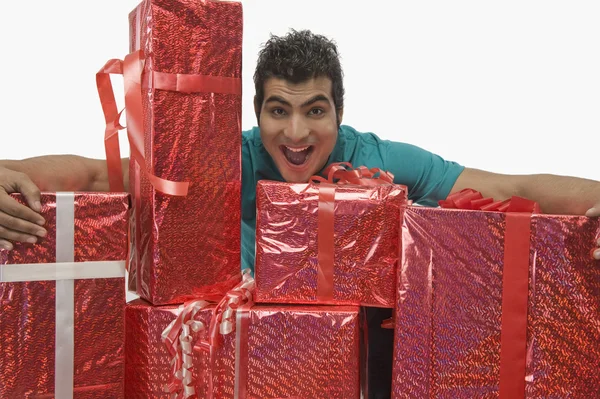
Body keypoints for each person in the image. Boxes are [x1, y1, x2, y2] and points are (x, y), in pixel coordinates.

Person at [1, 29, 599, 397]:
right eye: (278, 111)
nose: (296, 132)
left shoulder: (374, 160)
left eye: (315, 110)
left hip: (354, 365)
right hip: (235, 359)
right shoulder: (222, 160)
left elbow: (514, 185)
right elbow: (90, 173)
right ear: (256, 115)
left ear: (339, 113)